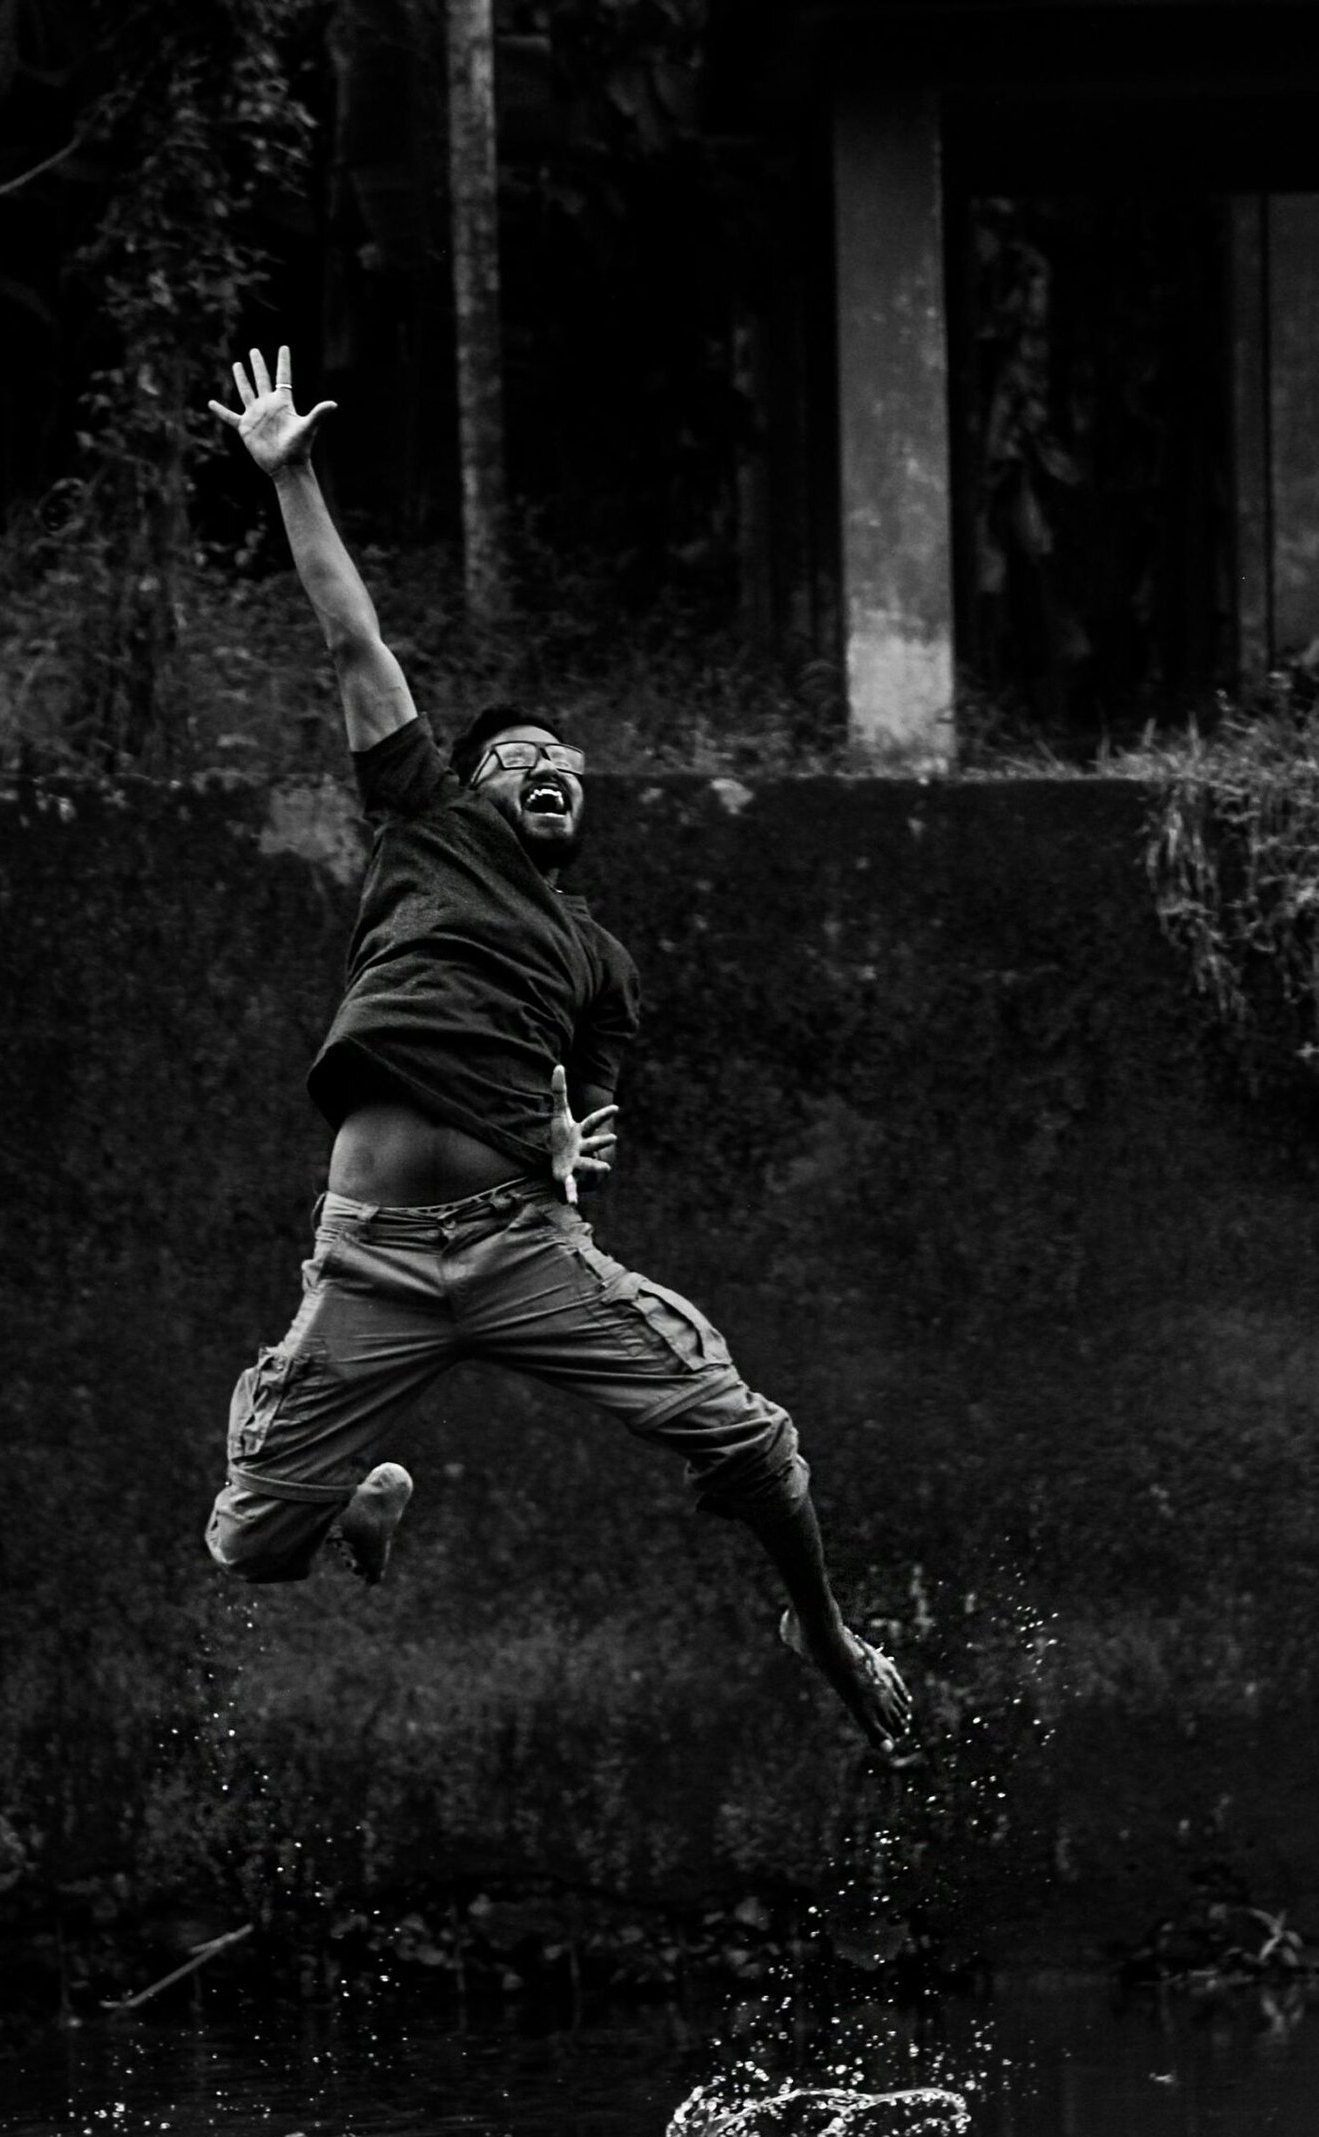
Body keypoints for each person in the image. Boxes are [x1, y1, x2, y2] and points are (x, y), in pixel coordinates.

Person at [204, 345, 913, 1759]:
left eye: (573, 768)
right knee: (249, 1547)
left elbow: (586, 1110)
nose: (555, 767)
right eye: (528, 754)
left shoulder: (597, 957)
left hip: (520, 1242)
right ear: (474, 782)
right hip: (370, 1255)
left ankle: (821, 1629)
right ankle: (356, 1494)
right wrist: (293, 478)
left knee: (756, 1444)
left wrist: (577, 1137)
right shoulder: (425, 821)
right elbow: (357, 643)